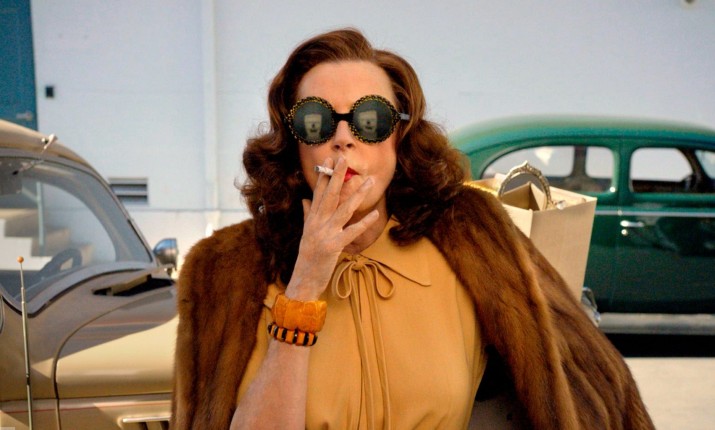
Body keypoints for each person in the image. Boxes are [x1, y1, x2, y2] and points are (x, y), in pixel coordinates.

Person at [171, 28, 654, 430]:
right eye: (317, 121)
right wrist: (305, 283)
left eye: (370, 120)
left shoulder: (467, 238)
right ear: (294, 144)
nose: (344, 138)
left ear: (399, 136)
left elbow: (590, 384)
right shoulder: (230, 270)